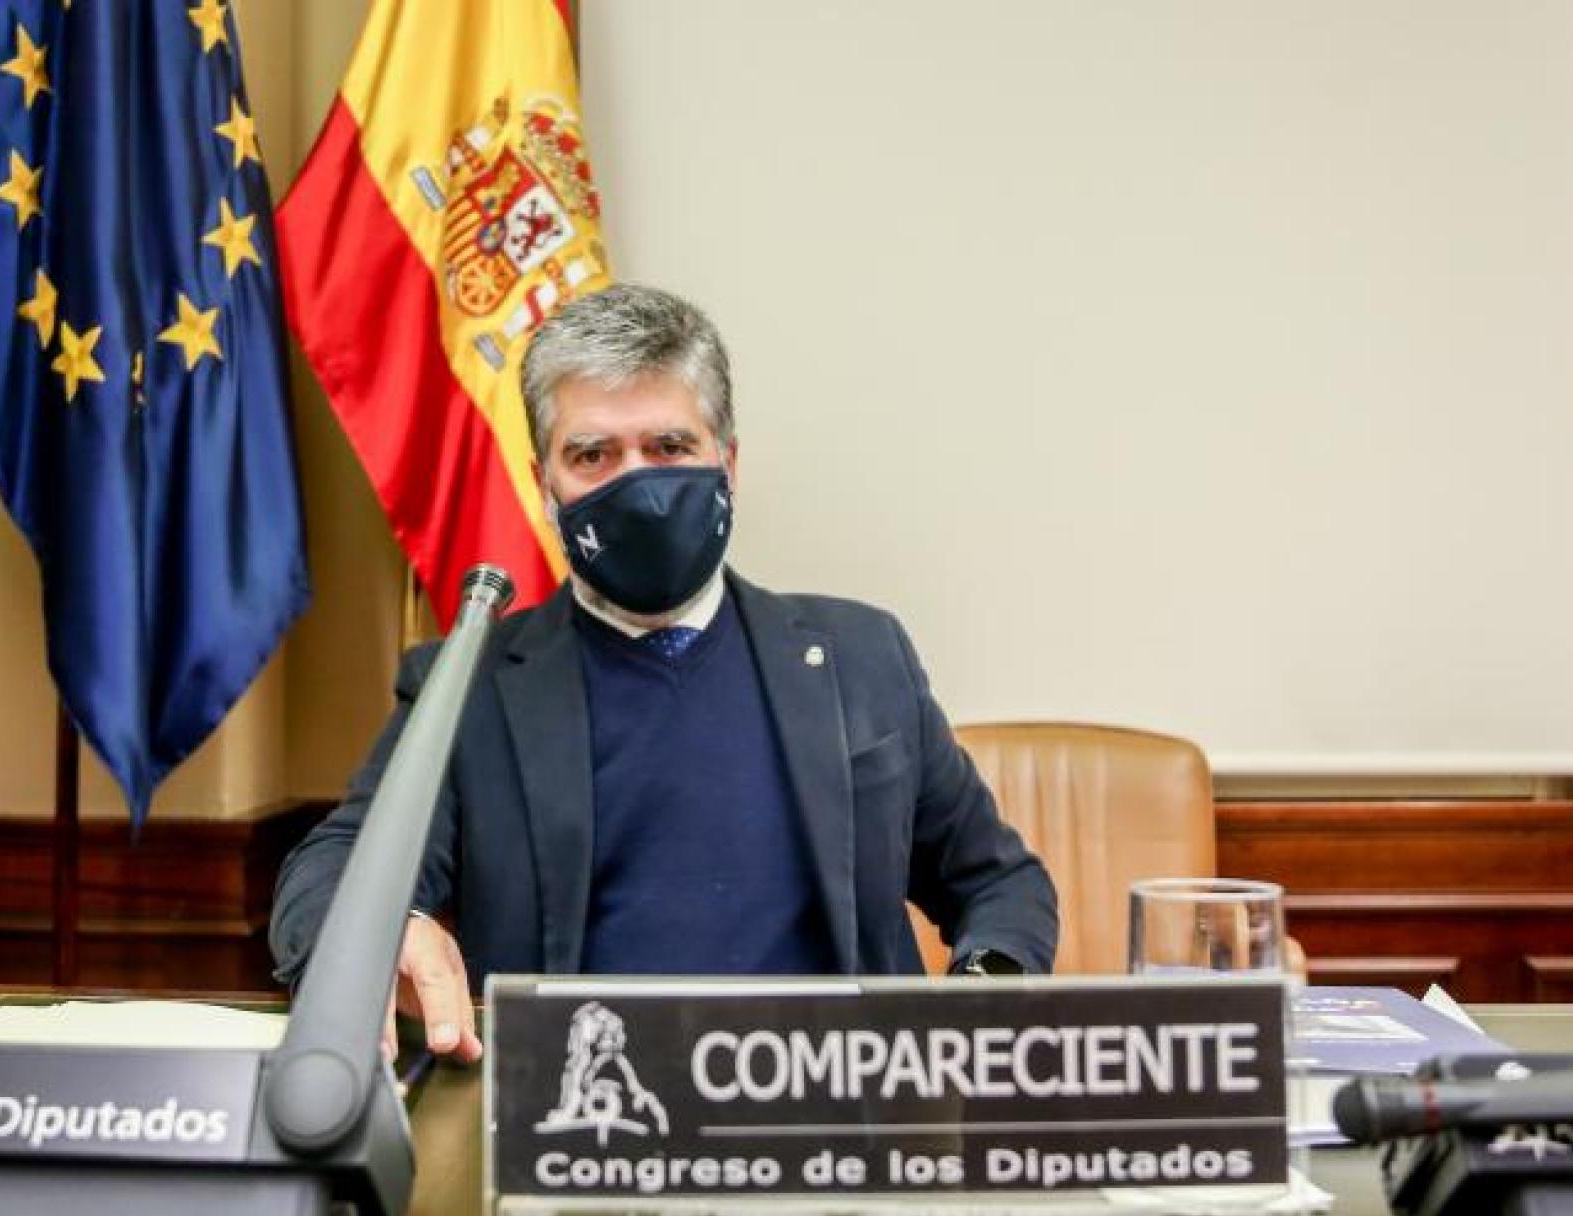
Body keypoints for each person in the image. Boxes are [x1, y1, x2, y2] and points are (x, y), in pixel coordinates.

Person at [270, 284, 1058, 1063]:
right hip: (582, 1114)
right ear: (545, 485)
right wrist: (385, 931)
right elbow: (330, 870)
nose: (638, 487)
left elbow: (1000, 884)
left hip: (836, 1115)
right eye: (593, 455)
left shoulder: (863, 656)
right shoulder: (468, 685)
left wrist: (979, 998)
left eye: (670, 448)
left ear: (728, 463)